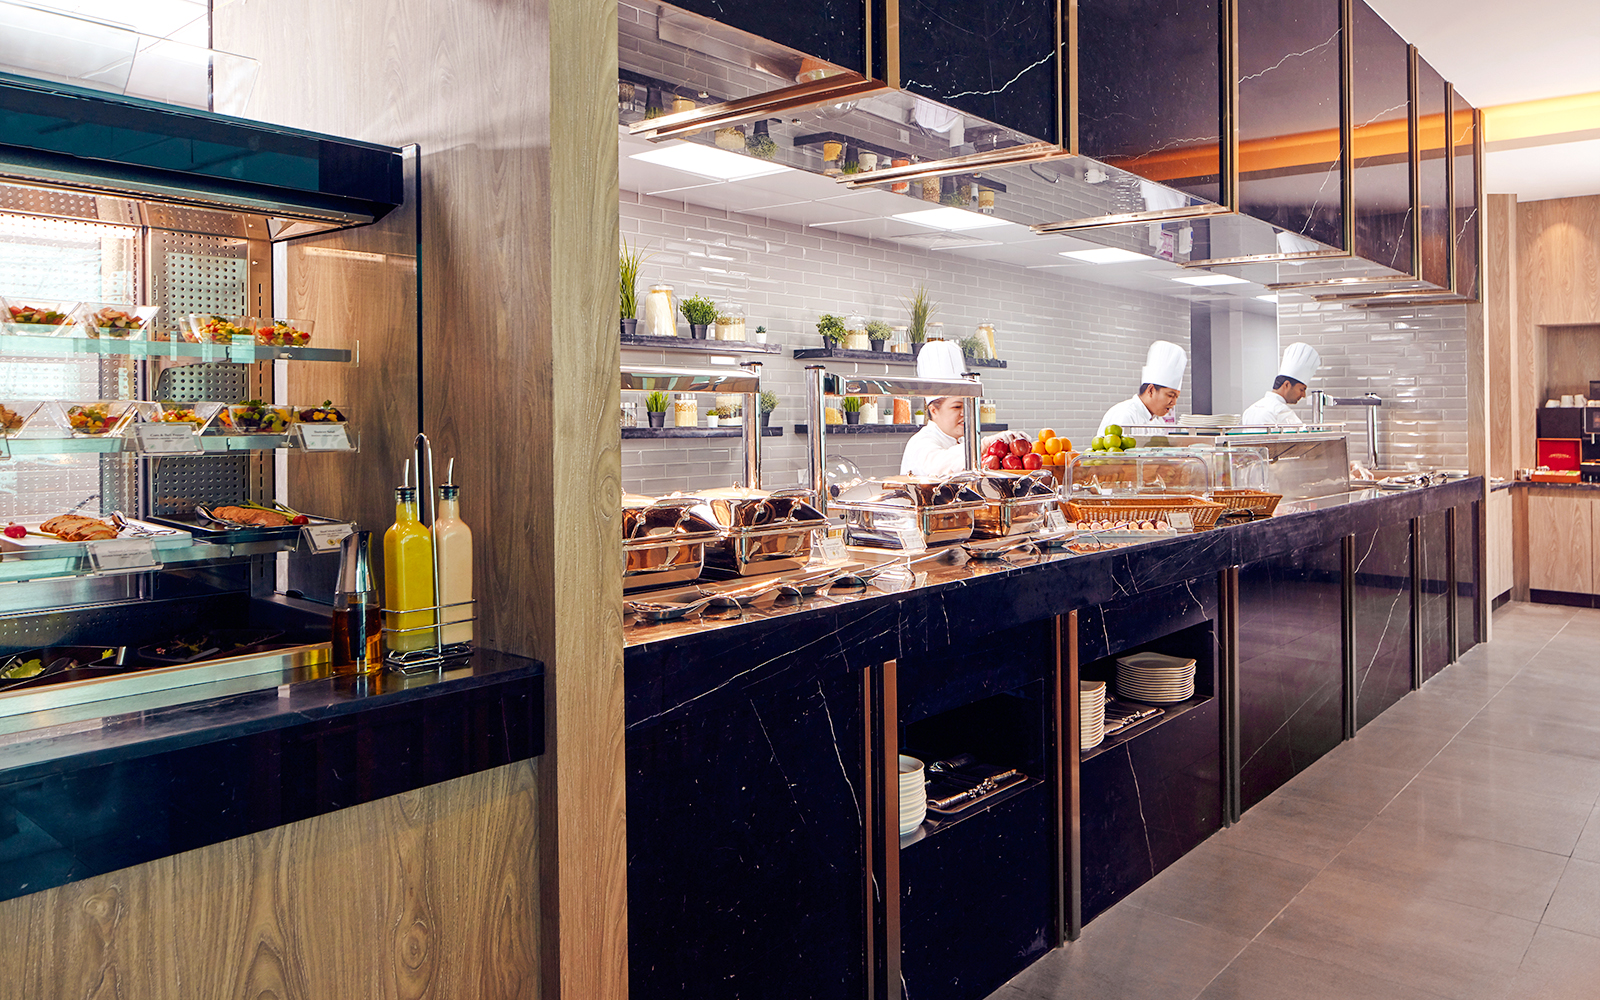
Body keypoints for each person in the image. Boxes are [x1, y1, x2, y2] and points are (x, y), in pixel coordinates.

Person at [901, 340, 969, 476]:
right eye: (957, 406)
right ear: (934, 410)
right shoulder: (920, 443)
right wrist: (982, 445)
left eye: (966, 406)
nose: (964, 413)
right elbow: (940, 466)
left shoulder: (962, 441)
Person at [1096, 340, 1186, 437]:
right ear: (1151, 390)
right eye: (1170, 395)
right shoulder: (1124, 415)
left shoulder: (1157, 422)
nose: (1174, 402)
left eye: (1176, 397)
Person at [1241, 342, 1321, 427]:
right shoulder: (1281, 412)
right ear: (1286, 385)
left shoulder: (1249, 410)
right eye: (1301, 389)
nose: (1303, 395)